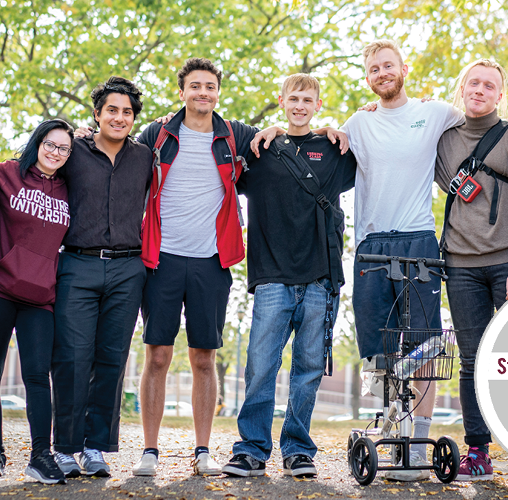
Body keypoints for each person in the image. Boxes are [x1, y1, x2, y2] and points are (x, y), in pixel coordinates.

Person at [253, 40, 508, 481]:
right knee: (381, 350)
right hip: (370, 244)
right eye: (374, 68)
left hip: (419, 242)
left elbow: (486, 117)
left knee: (425, 349)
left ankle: (415, 445)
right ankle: (393, 430)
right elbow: (310, 140)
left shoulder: (435, 114)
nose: (383, 73)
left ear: (403, 68)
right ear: (367, 77)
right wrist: (275, 129)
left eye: (389, 65)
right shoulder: (356, 123)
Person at [221, 73, 356, 478]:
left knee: (309, 369)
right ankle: (252, 448)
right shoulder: (260, 150)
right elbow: (215, 149)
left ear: (318, 104)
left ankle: (298, 450)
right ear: (281, 101)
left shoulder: (335, 150)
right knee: (261, 365)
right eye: (293, 98)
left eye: (307, 99)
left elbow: (382, 144)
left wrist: (339, 128)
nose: (300, 105)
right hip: (271, 277)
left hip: (321, 277)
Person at [130, 57, 259, 477]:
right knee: (158, 355)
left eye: (210, 87)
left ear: (217, 92)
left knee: (204, 357)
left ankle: (203, 449)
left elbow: (277, 139)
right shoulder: (159, 133)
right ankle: (150, 450)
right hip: (161, 258)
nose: (203, 93)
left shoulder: (233, 135)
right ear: (182, 91)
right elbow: (121, 150)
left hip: (211, 261)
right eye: (195, 86)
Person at [434, 59, 508, 481]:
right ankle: (478, 453)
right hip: (460, 267)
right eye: (473, 83)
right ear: (461, 88)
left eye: (489, 86)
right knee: (472, 361)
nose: (479, 90)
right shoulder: (443, 141)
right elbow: (404, 127)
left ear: (501, 95)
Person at [50, 77, 151, 478]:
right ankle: (64, 448)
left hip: (128, 268)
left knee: (112, 360)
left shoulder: (145, 155)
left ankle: (95, 448)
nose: (119, 117)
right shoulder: (72, 150)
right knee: (73, 358)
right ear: (97, 114)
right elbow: (32, 168)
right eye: (112, 109)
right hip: (78, 263)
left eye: (127, 112)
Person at [0, 119, 74, 484]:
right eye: (50, 144)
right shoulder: (5, 174)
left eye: (64, 148)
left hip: (41, 297)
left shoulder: (69, 188)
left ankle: (39, 456)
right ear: (37, 142)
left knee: (37, 375)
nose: (55, 153)